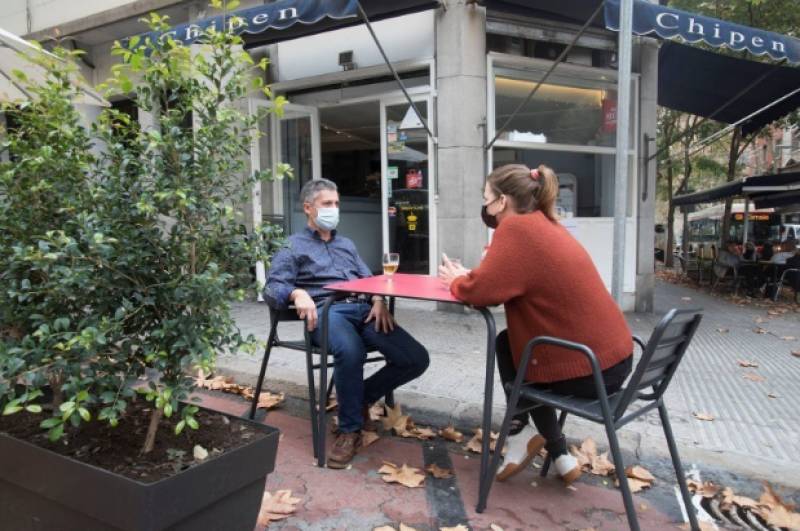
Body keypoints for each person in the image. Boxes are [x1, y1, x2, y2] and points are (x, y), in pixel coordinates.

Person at [439, 164, 633, 485]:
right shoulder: (545, 225)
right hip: (616, 361)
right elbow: (505, 279)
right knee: (511, 344)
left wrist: (456, 280)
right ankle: (560, 455)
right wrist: (472, 277)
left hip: (588, 371)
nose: (485, 207)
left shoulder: (517, 230)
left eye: (486, 199)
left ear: (502, 201)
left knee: (514, 352)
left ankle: (520, 433)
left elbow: (482, 292)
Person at [265, 178, 429, 468]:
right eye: (327, 204)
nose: (334, 209)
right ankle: (349, 429)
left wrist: (378, 300)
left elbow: (370, 280)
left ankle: (357, 399)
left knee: (415, 358)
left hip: (363, 311)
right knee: (352, 352)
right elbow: (272, 288)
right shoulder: (291, 246)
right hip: (326, 313)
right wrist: (296, 292)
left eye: (336, 204)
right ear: (308, 208)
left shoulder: (346, 245)